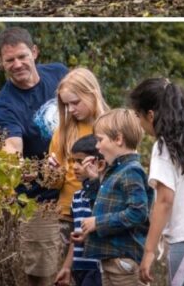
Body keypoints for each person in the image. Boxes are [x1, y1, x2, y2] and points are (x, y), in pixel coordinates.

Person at [0, 27, 68, 286]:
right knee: (42, 275)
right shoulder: (5, 104)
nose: (17, 64)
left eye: (22, 56)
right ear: (1, 63)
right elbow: (12, 145)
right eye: (9, 60)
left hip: (80, 186)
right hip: (39, 200)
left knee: (84, 268)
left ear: (34, 52)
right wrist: (16, 164)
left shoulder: (59, 74)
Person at [129, 77, 184, 286]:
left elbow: (165, 200)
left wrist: (149, 251)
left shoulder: (163, 148)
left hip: (183, 243)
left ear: (151, 115)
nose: (139, 122)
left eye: (138, 115)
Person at [76, 109, 152, 286]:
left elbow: (138, 212)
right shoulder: (114, 171)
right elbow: (106, 206)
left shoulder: (131, 171)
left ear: (118, 139)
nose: (97, 147)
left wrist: (98, 223)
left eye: (100, 140)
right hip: (111, 261)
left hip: (123, 262)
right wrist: (94, 180)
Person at [49, 69, 110, 242]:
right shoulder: (62, 132)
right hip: (67, 214)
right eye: (66, 105)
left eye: (75, 102)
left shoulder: (112, 128)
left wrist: (92, 176)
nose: (71, 109)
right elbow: (56, 183)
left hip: (102, 213)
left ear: (92, 94)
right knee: (67, 267)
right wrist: (52, 172)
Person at [55, 135, 105, 286]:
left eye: (79, 161)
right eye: (73, 161)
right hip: (79, 268)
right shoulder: (76, 197)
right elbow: (75, 238)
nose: (74, 167)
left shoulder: (103, 195)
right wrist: (66, 267)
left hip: (98, 268)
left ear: (98, 163)